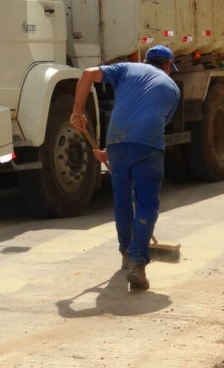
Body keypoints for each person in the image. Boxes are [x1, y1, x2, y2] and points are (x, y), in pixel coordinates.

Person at [70, 45, 181, 290]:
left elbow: (87, 74)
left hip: (117, 141)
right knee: (146, 203)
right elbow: (152, 123)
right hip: (148, 145)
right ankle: (138, 262)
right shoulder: (172, 88)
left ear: (145, 61)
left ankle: (126, 254)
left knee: (122, 199)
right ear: (167, 66)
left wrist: (78, 111)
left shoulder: (125, 68)